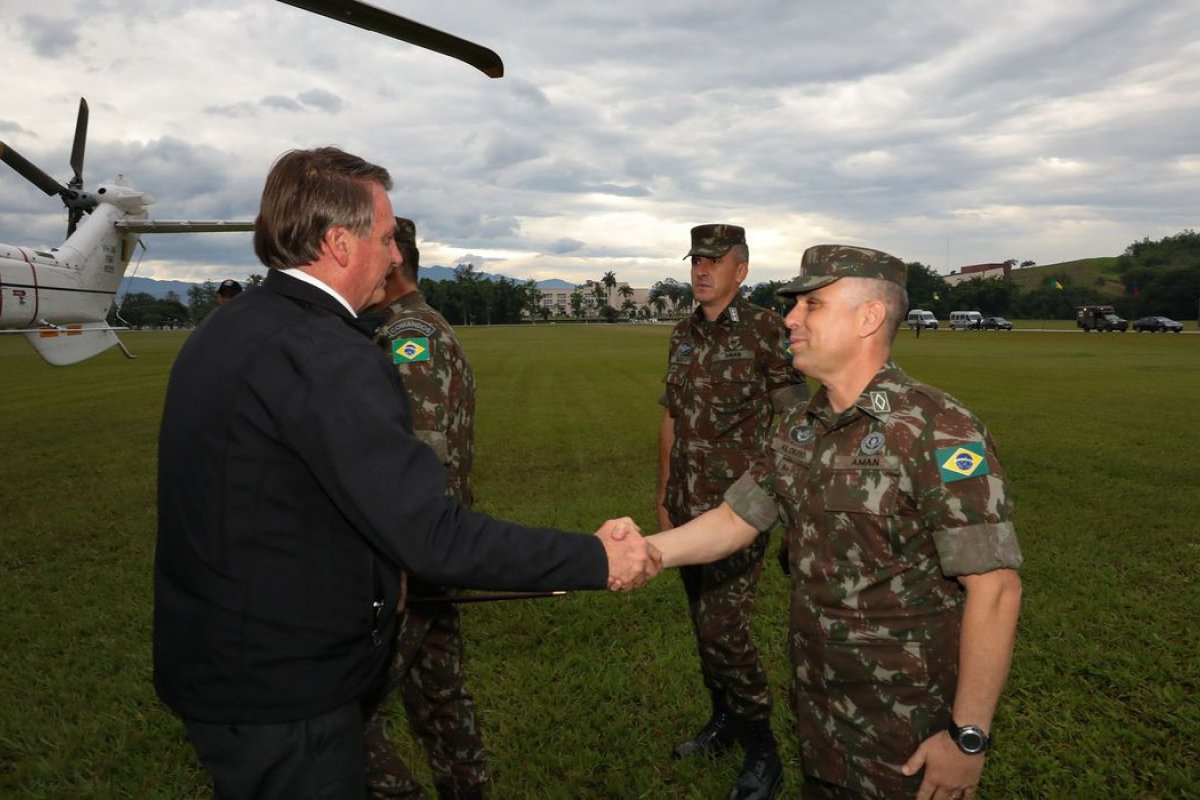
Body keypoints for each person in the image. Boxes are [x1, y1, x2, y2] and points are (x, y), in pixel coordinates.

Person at [154, 146, 659, 800]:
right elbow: (431, 535)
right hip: (284, 696)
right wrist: (593, 558)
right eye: (387, 237)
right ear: (340, 243)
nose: (397, 256)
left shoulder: (227, 329)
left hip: (217, 668)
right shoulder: (331, 356)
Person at [646, 245, 1023, 799]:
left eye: (811, 305)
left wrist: (967, 736)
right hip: (820, 709)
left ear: (869, 317)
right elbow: (734, 520)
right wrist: (645, 551)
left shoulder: (935, 428)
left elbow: (994, 589)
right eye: (793, 306)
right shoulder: (801, 425)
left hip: (906, 730)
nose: (790, 319)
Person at [656, 224, 809, 800]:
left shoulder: (769, 332)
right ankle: (723, 719)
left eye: (715, 261)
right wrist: (663, 491)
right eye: (697, 258)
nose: (701, 269)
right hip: (687, 505)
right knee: (702, 624)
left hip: (740, 508)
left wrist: (793, 510)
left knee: (725, 629)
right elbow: (671, 415)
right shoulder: (681, 334)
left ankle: (762, 750)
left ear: (740, 271)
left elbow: (797, 422)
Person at [361, 217, 487, 800]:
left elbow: (421, 455)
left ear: (391, 261)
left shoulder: (410, 335)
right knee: (439, 692)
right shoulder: (409, 327)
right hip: (434, 548)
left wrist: (404, 558)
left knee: (344, 711)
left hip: (412, 555)